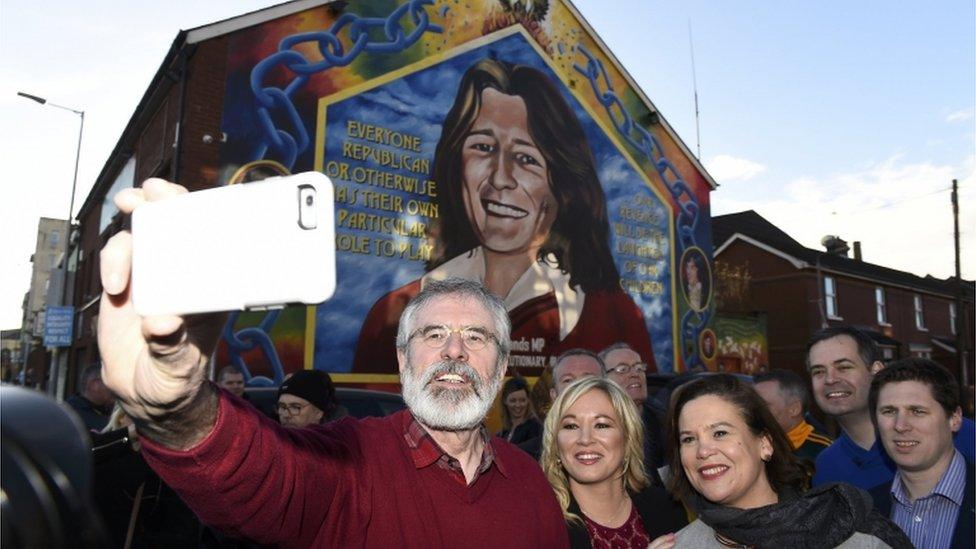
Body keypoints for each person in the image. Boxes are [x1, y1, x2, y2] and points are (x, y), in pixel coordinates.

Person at [97, 206, 569, 549]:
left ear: (502, 367)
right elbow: (260, 478)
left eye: (476, 337)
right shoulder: (350, 461)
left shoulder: (531, 484)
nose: (454, 350)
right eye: (434, 333)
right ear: (403, 361)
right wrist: (175, 404)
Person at [353, 58, 655, 373]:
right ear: (457, 165)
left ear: (561, 184)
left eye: (526, 158)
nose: (500, 178)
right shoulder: (397, 316)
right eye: (483, 148)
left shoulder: (613, 316)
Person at [668, 374, 911, 548]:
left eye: (720, 433)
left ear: (764, 444)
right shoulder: (679, 545)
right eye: (688, 439)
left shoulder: (843, 531)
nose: (703, 450)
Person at [806, 326, 975, 489]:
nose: (830, 379)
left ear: (877, 370)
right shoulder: (826, 469)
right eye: (818, 371)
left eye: (844, 367)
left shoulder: (958, 436)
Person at [541, 377, 685, 548]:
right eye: (571, 426)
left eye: (601, 425)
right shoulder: (541, 523)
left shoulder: (666, 507)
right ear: (556, 444)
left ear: (628, 438)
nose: (585, 439)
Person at [868, 358, 974, 549]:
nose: (900, 426)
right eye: (889, 411)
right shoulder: (864, 511)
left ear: (954, 419)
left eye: (917, 411)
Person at [518, 348, 606, 459]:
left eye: (587, 379)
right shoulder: (524, 457)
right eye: (568, 380)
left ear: (607, 391)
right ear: (554, 395)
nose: (577, 386)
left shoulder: (627, 448)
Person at [601, 342, 667, 475]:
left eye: (639, 368)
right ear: (602, 380)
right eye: (622, 369)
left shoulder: (665, 420)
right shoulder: (599, 426)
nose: (634, 374)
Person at [754, 369, 832, 467]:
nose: (753, 410)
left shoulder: (825, 451)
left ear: (794, 409)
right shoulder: (752, 445)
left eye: (764, 405)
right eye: (752, 404)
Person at [275, 369, 344, 428]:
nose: (286, 415)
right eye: (282, 407)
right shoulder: (271, 435)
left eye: (295, 407)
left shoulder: (339, 441)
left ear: (318, 413)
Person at [66, 363, 116, 431]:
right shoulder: (74, 411)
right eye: (111, 382)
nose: (115, 387)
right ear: (95, 384)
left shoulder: (104, 409)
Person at [498, 376, 542, 444]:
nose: (518, 405)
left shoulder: (535, 428)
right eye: (513, 401)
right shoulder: (503, 432)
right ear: (505, 401)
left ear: (528, 400)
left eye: (522, 400)